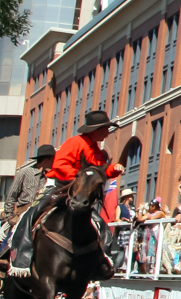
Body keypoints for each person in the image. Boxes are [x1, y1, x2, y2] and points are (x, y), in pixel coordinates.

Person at [6, 113, 118, 276]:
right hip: (60, 186)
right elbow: (59, 166)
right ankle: (18, 257)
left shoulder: (97, 151)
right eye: (106, 128)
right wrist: (79, 176)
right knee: (31, 213)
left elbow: (98, 173)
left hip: (80, 192)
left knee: (99, 222)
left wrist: (111, 170)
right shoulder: (74, 143)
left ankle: (106, 260)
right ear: (96, 130)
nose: (108, 131)